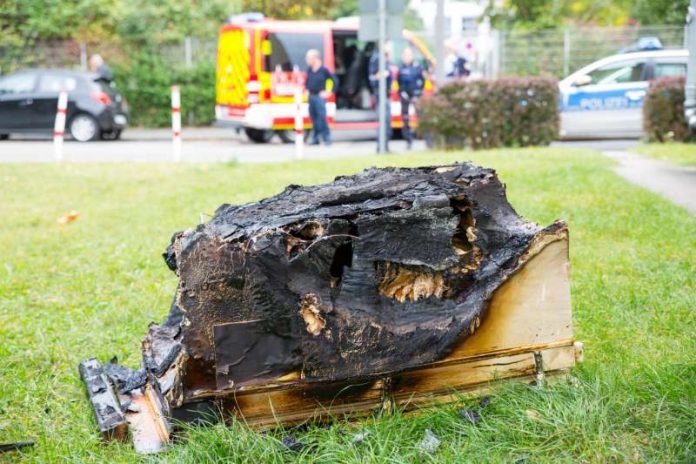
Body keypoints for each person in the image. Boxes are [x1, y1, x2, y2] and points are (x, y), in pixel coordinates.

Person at [304, 49, 336, 146]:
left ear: (315, 58)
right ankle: (315, 138)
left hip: (319, 97)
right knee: (314, 119)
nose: (307, 60)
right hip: (311, 97)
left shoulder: (323, 70)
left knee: (322, 118)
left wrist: (329, 91)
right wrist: (306, 89)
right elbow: (308, 82)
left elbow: (333, 81)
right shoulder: (309, 69)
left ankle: (326, 138)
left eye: (309, 58)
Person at [397, 47, 425, 149]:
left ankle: (425, 139)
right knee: (405, 118)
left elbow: (422, 81)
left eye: (409, 55)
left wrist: (417, 94)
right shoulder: (400, 68)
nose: (407, 57)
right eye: (405, 55)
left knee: (420, 116)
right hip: (405, 96)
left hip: (416, 95)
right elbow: (398, 82)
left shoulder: (418, 67)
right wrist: (402, 92)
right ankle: (408, 140)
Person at [369, 41, 394, 152]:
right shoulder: (378, 58)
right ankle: (382, 147)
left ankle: (384, 147)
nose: (390, 47)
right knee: (384, 122)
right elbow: (373, 77)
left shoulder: (383, 58)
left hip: (385, 94)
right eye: (389, 44)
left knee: (386, 122)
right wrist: (384, 74)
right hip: (381, 95)